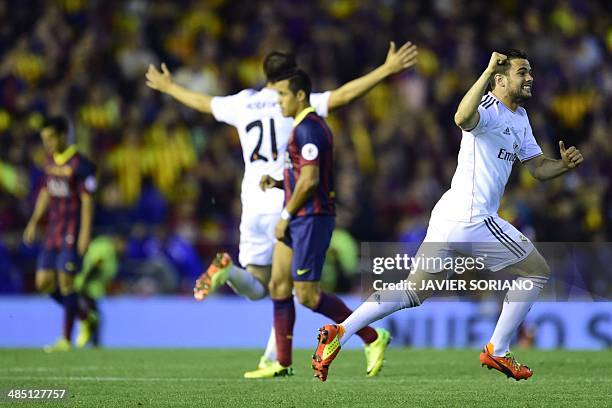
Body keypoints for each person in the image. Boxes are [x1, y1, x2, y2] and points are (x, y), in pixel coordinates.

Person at [145, 41, 418, 375]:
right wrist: (385, 70)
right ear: (290, 77)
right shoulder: (298, 102)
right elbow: (344, 95)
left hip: (254, 201)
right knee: (282, 288)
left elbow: (203, 104)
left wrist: (169, 86)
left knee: (268, 287)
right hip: (286, 201)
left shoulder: (243, 103)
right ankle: (321, 345)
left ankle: (272, 348)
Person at [311, 49, 584, 381]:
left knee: (414, 291)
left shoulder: (520, 118)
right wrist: (485, 73)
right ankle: (498, 349)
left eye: (530, 72)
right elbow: (460, 118)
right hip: (473, 217)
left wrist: (563, 167)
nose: (530, 78)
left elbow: (538, 168)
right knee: (537, 271)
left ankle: (341, 330)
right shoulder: (487, 106)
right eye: (522, 72)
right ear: (500, 79)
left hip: (450, 216)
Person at [252, 69, 390, 379]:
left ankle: (372, 336)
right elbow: (304, 176)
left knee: (308, 296)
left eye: (283, 95)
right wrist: (279, 183)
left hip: (310, 218)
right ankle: (282, 362)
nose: (278, 102)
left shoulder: (310, 129)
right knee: (278, 284)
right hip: (300, 214)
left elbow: (311, 180)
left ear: (300, 95)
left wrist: (285, 215)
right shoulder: (301, 127)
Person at [23, 116, 98, 352]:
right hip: (53, 230)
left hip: (72, 231)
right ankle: (85, 316)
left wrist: (85, 233)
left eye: (51, 138)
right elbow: (46, 191)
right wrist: (34, 222)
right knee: (43, 282)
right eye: (44, 139)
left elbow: (87, 201)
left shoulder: (81, 164)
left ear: (64, 135)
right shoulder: (49, 160)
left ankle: (65, 339)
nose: (47, 143)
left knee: (66, 281)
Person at [73, 234, 124, 347]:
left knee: (94, 317)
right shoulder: (105, 249)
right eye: (122, 244)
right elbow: (94, 266)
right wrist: (83, 285)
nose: (123, 248)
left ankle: (93, 342)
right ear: (117, 241)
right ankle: (90, 342)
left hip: (93, 290)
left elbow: (105, 277)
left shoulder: (114, 258)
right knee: (93, 317)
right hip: (85, 288)